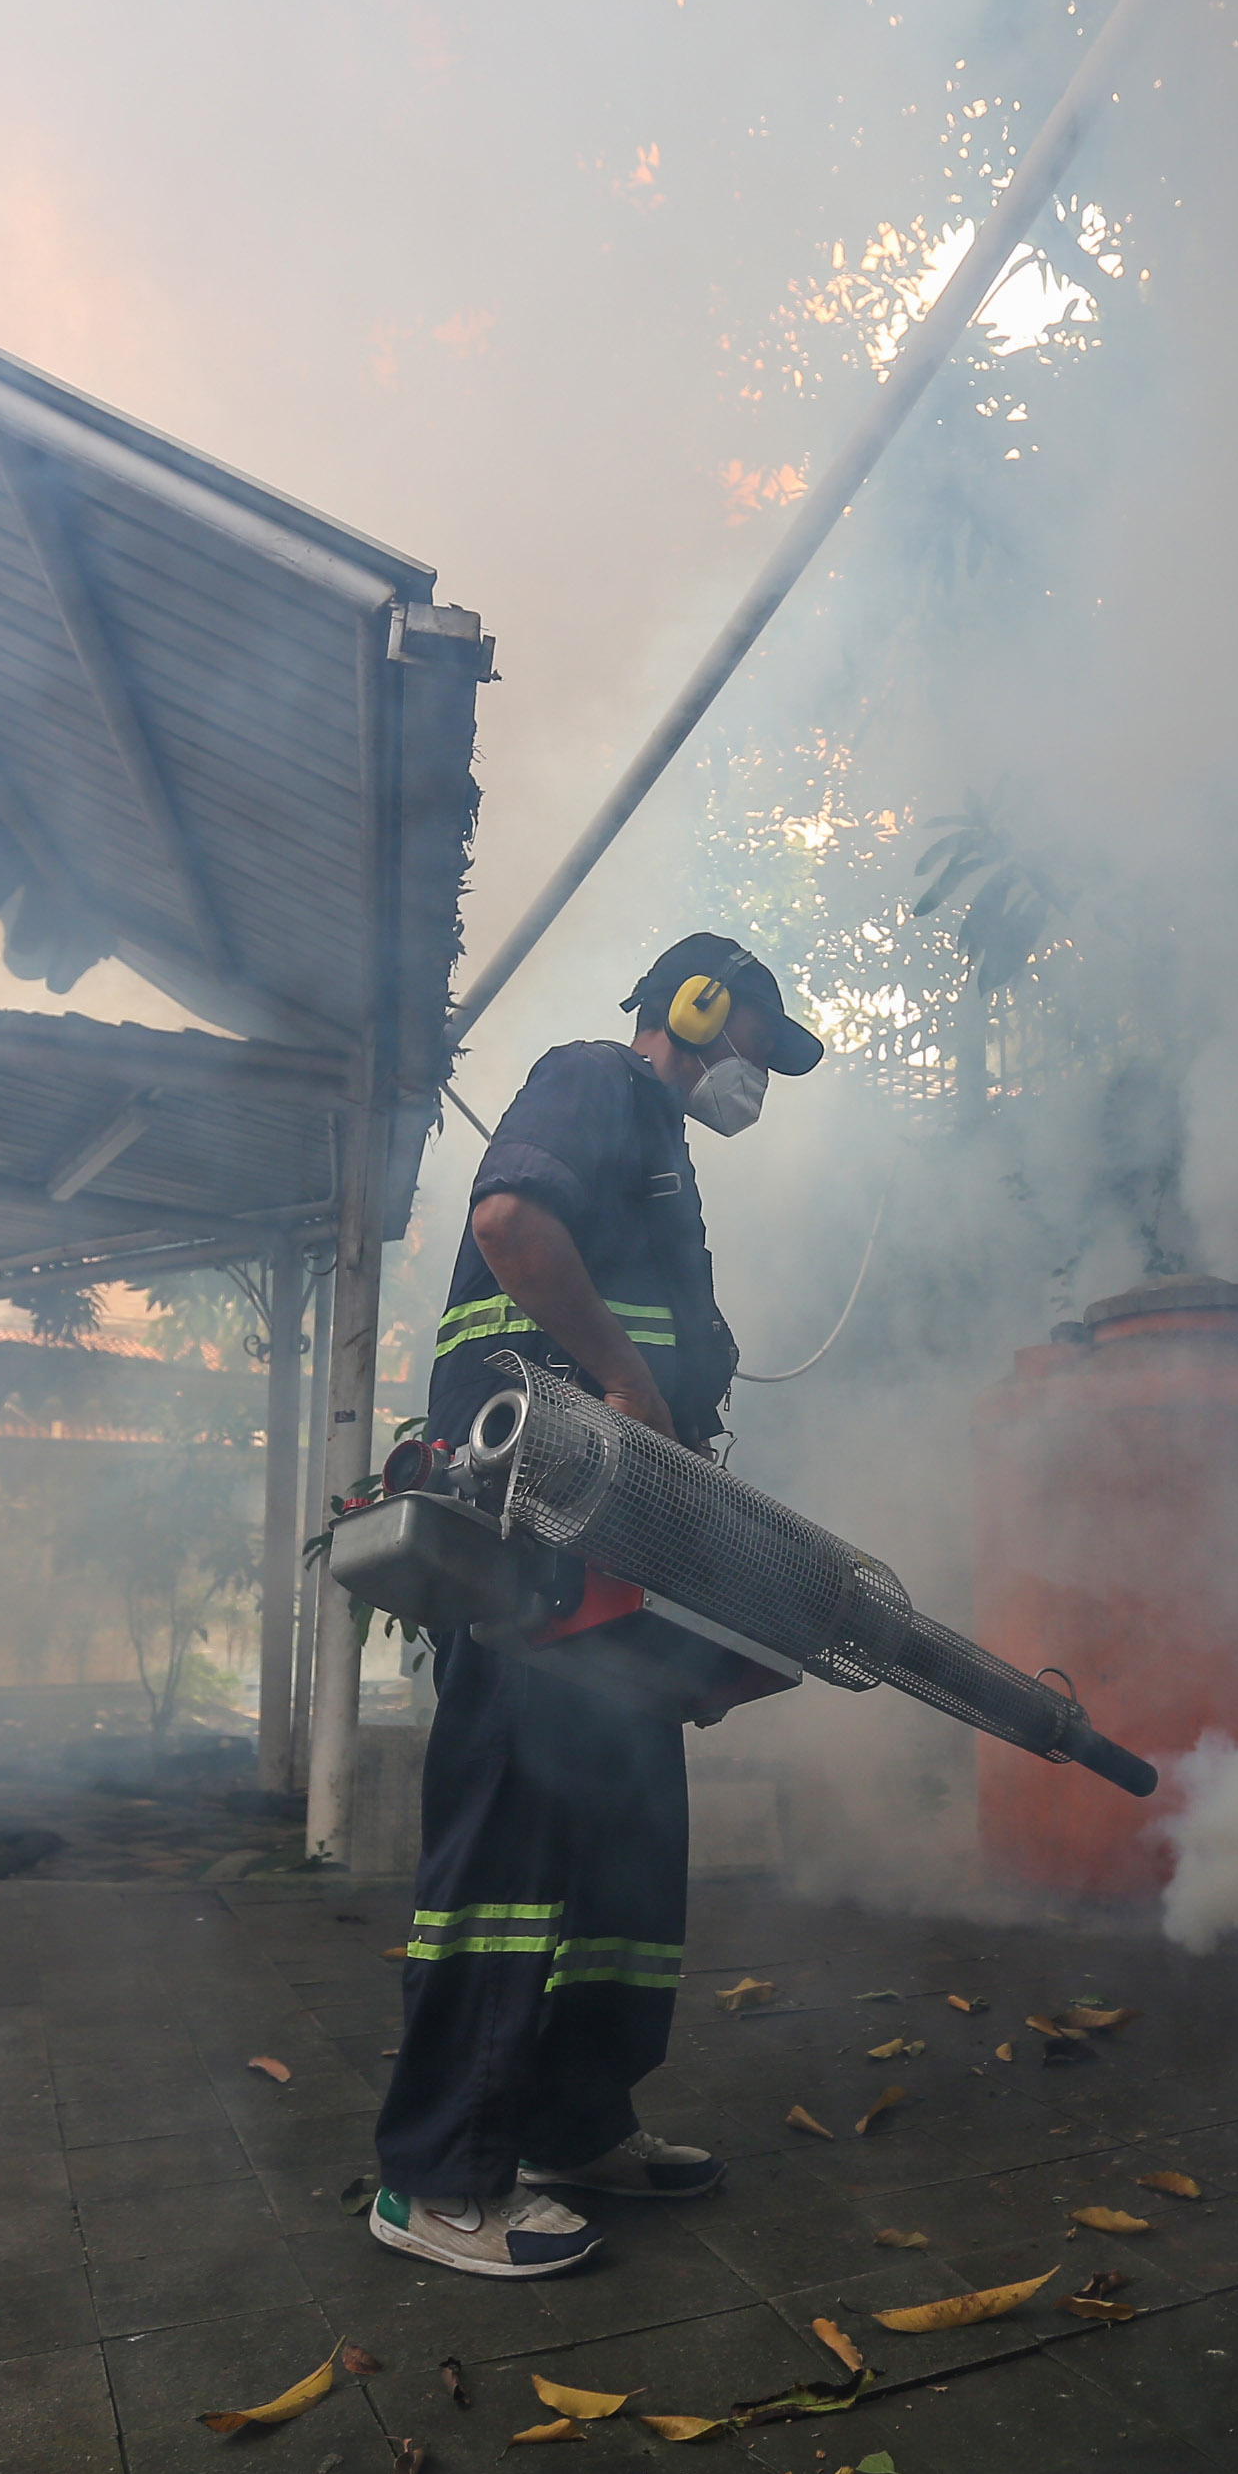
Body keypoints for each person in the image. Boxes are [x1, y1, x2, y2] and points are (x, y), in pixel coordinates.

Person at [368, 932, 822, 2278]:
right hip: (529, 1540)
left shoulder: (666, 1166)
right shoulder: (598, 1085)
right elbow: (510, 1224)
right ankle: (439, 2179)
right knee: (504, 1860)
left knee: (628, 1852)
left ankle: (576, 2121)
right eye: (753, 1044)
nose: (758, 1078)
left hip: (615, 1557)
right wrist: (627, 1377)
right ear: (695, 1007)